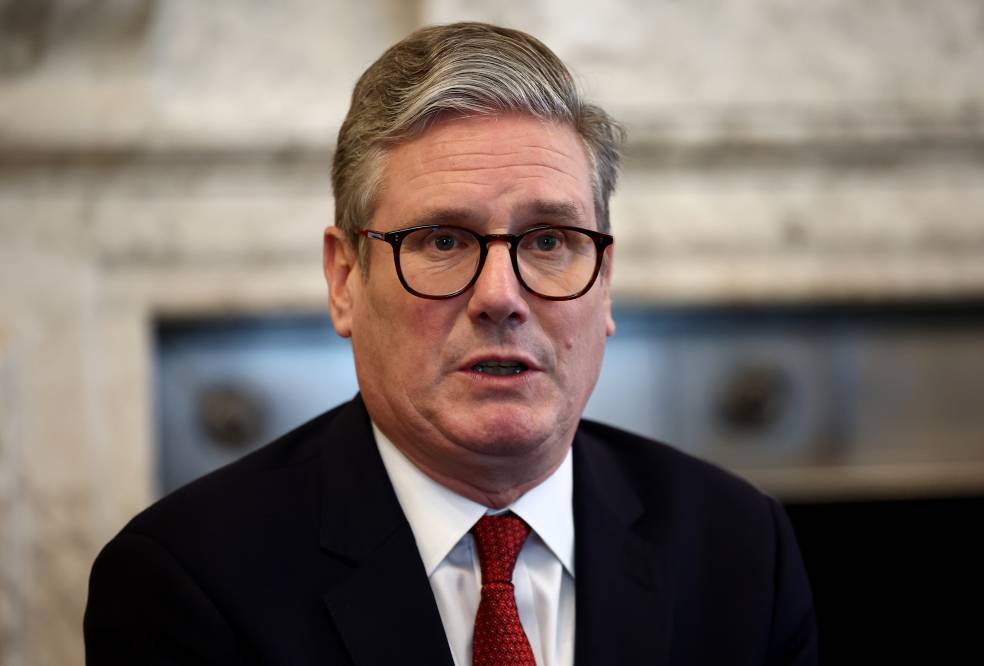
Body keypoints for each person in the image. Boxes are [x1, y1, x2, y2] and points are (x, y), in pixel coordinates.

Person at [84, 22, 817, 665]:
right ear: (345, 279)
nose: (501, 296)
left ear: (605, 282)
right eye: (442, 240)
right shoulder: (189, 582)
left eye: (550, 240)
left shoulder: (740, 549)